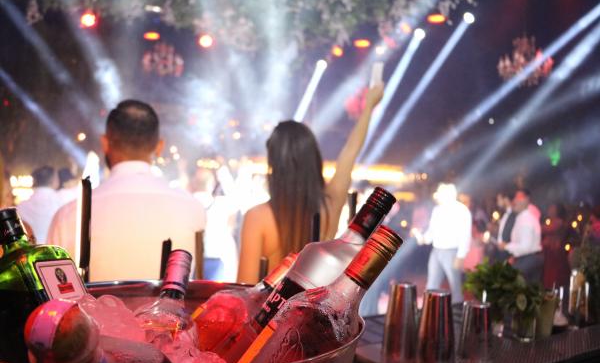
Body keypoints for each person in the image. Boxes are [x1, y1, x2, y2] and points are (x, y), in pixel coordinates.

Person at [237, 83, 384, 284]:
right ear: (313, 159)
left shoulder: (258, 217)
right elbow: (350, 153)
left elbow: (244, 286)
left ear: (275, 165)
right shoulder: (329, 206)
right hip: (316, 304)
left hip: (271, 306)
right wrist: (369, 106)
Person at [48, 99, 206, 281]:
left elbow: (53, 290)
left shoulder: (69, 215)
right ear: (160, 147)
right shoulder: (193, 209)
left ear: (105, 143)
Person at [416, 183, 471, 303]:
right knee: (431, 284)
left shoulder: (461, 210)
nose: (437, 195)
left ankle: (457, 310)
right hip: (436, 251)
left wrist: (461, 256)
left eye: (440, 193)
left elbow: (465, 235)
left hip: (452, 252)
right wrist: (423, 238)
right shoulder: (437, 210)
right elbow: (432, 231)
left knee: (455, 286)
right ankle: (429, 309)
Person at [497, 189, 543, 283]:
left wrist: (506, 246)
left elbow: (525, 247)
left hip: (529, 260)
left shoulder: (527, 219)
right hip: (526, 259)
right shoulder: (521, 217)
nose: (514, 201)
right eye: (515, 198)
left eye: (518, 198)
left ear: (526, 200)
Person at [17, 165, 63, 244]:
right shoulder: (62, 201)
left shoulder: (21, 206)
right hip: (57, 249)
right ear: (54, 180)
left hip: (31, 249)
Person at [542, 203, 569, 288]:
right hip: (550, 252)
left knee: (554, 275)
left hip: (555, 252)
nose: (549, 210)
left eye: (552, 208)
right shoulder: (552, 221)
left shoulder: (559, 221)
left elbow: (546, 230)